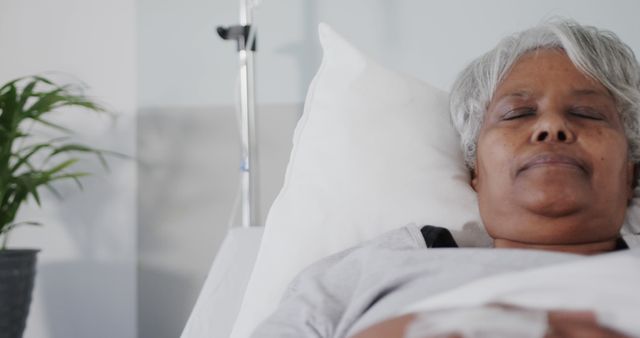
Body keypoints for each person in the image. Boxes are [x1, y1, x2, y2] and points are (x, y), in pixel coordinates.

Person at [251, 19, 640, 338]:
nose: (552, 126)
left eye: (588, 113)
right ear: (476, 173)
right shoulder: (364, 274)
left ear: (631, 173)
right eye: (517, 114)